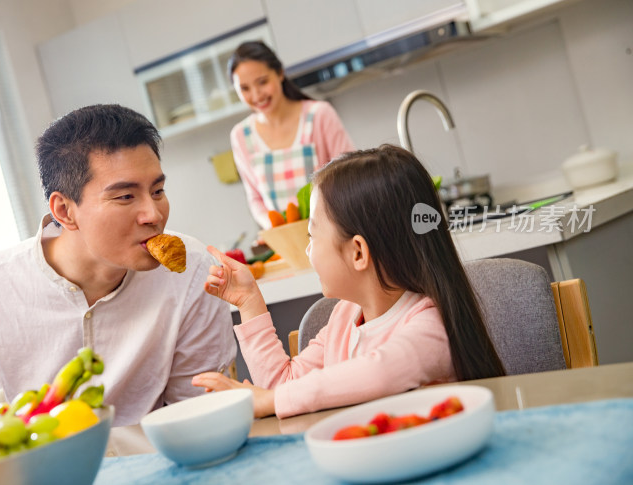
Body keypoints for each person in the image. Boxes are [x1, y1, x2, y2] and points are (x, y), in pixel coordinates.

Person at [0, 104, 237, 460]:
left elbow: (200, 409)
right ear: (64, 211)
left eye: (157, 190)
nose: (153, 214)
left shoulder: (192, 271)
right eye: (125, 196)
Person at [193, 144, 506, 419]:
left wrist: (271, 400)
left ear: (358, 252)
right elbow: (285, 390)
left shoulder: (430, 326)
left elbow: (379, 373)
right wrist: (249, 301)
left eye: (312, 235)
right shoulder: (344, 316)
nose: (307, 248)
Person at [228, 40, 355, 230]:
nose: (256, 95)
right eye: (245, 88)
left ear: (279, 73)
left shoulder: (319, 115)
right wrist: (279, 229)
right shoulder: (240, 135)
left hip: (334, 230)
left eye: (262, 82)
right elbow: (255, 199)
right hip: (286, 241)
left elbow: (350, 176)